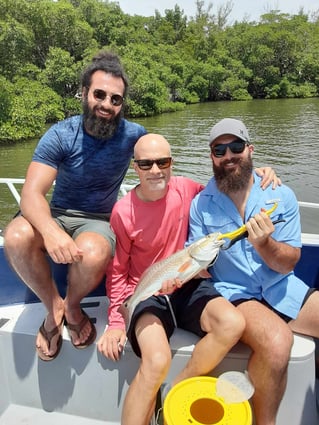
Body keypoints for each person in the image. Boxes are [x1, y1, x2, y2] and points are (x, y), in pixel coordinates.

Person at [97, 133, 281, 425]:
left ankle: (174, 392)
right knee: (156, 361)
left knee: (232, 323)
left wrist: (259, 173)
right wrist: (117, 321)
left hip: (189, 283)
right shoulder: (123, 212)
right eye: (146, 164)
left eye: (163, 162)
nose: (155, 170)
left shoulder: (188, 189)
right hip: (149, 293)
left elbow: (229, 180)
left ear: (172, 163)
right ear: (135, 167)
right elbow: (118, 269)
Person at [3, 51, 147, 361]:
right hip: (57, 212)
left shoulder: (133, 136)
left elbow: (162, 167)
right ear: (83, 93)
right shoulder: (61, 134)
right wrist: (52, 232)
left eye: (115, 99)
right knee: (15, 237)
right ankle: (53, 304)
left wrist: (243, 169)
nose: (107, 104)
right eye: (99, 94)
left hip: (98, 218)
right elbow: (31, 193)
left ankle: (72, 304)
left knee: (94, 252)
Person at [187, 117, 319, 425]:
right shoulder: (200, 205)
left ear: (250, 150)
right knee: (277, 342)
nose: (229, 155)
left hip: (281, 286)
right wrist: (186, 271)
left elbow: (289, 262)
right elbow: (196, 260)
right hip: (236, 294)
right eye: (220, 150)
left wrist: (265, 245)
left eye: (236, 147)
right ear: (211, 157)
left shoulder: (280, 195)